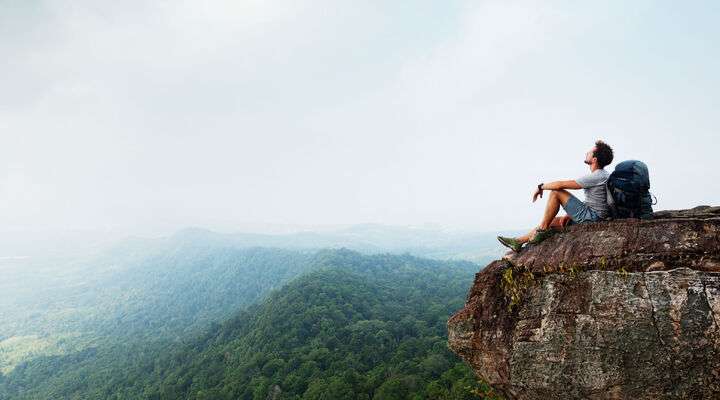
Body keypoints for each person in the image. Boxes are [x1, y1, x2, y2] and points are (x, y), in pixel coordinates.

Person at [497, 140, 614, 252]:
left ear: (594, 159)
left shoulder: (597, 176)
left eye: (590, 151)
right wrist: (570, 214)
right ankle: (518, 242)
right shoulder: (601, 175)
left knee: (556, 192)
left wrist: (540, 187)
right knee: (552, 221)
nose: (587, 152)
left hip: (593, 217)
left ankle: (541, 230)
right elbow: (595, 200)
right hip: (592, 214)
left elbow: (560, 185)